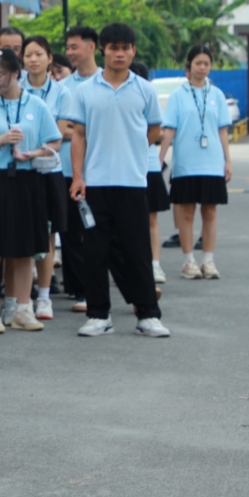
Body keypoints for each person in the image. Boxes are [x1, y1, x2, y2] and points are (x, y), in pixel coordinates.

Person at [58, 22, 170, 339]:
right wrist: (78, 176)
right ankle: (98, 314)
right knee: (94, 252)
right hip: (94, 184)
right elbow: (78, 134)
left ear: (133, 51)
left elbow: (154, 132)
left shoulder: (145, 90)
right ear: (103, 50)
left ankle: (148, 315)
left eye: (126, 48)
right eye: (114, 48)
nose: (120, 53)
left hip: (133, 182)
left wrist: (129, 150)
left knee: (137, 252)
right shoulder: (84, 90)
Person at [0, 47, 62, 333]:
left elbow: (54, 141)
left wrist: (33, 153)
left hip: (27, 180)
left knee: (24, 250)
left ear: (16, 74)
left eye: (1, 74)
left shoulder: (36, 105)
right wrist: (0, 139)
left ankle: (21, 308)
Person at [161, 45, 232, 280]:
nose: (202, 67)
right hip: (186, 163)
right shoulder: (178, 95)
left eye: (206, 63)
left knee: (210, 212)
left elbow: (222, 131)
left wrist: (227, 161)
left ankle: (208, 260)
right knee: (187, 213)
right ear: (188, 67)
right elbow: (169, 129)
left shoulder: (217, 95)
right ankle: (188, 261)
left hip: (212, 162)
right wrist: (159, 158)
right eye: (198, 63)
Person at [19, 36, 72, 320]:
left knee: (48, 236)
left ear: (50, 58)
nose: (33, 59)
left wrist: (34, 149)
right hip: (20, 173)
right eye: (28, 55)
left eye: (39, 54)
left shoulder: (62, 92)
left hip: (50, 171)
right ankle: (21, 298)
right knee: (24, 236)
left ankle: (44, 296)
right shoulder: (15, 90)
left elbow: (60, 134)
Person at [59, 26, 101, 313]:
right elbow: (63, 128)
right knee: (72, 232)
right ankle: (80, 291)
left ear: (92, 47)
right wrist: (86, 127)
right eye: (68, 47)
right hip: (68, 170)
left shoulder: (107, 81)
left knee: (100, 232)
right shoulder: (65, 88)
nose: (71, 52)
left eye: (75, 47)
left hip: (101, 171)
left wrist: (82, 128)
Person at [132, 60, 172, 286]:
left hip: (148, 166)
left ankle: (155, 264)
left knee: (151, 219)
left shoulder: (149, 98)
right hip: (124, 168)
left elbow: (160, 133)